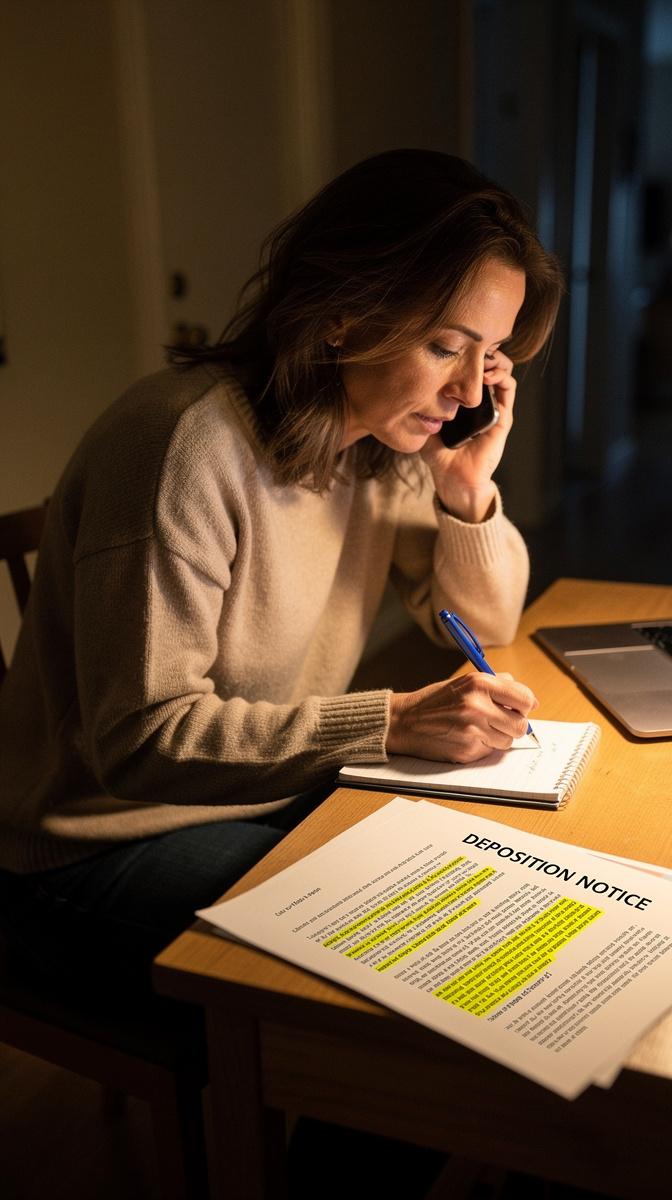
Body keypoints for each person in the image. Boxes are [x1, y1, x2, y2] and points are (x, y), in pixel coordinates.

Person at [0, 148, 563, 1003]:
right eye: (445, 345)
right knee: (418, 959)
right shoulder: (183, 446)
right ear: (341, 312)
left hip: (253, 795)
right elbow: (140, 741)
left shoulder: (384, 446)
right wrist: (392, 721)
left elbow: (484, 628)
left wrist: (466, 489)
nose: (467, 392)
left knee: (487, 880)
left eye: (486, 358)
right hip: (92, 842)